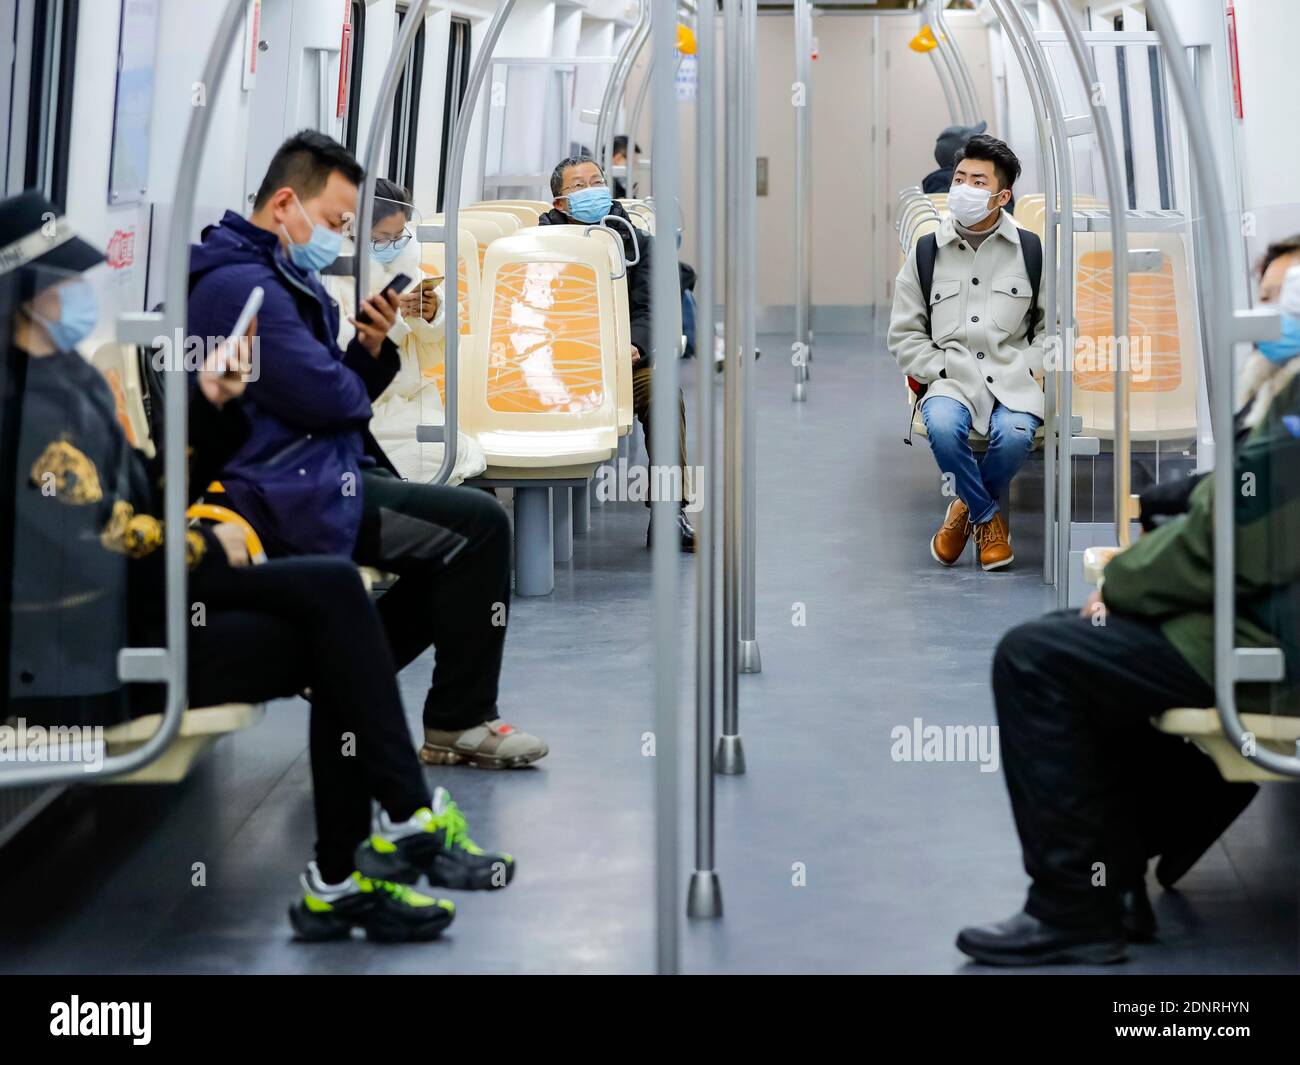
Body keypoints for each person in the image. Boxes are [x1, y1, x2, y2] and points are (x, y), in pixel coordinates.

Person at [1, 191, 515, 943]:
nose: (80, 297)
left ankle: (361, 862)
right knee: (336, 617)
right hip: (86, 656)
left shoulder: (70, 383)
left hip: (142, 602)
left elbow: (149, 488)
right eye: (63, 285)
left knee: (336, 608)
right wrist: (209, 548)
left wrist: (210, 406)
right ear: (27, 300)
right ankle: (379, 843)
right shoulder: (23, 412)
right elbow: (103, 539)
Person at [187, 130, 548, 769]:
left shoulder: (269, 276)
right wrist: (357, 367)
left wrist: (370, 349)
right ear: (283, 205)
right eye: (333, 221)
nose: (338, 237)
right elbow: (337, 400)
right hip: (284, 491)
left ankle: (346, 672)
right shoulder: (248, 291)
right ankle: (454, 718)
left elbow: (333, 388)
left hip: (313, 471)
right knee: (480, 528)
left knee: (459, 541)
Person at [956, 359, 1299, 965]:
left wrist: (1121, 584)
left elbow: (1231, 538)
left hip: (1274, 641)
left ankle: (1073, 908)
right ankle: (1113, 879)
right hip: (1266, 615)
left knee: (1036, 659)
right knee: (1084, 647)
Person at [889, 134, 1045, 571]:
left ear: (1002, 195)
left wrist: (1030, 366)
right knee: (940, 426)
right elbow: (904, 334)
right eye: (960, 178)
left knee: (1016, 437)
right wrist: (939, 368)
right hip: (950, 379)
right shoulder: (926, 252)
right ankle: (988, 519)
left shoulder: (1030, 249)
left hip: (1011, 376)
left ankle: (962, 512)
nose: (963, 188)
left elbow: (1055, 329)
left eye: (978, 181)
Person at [541, 154, 695, 550]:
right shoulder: (538, 245)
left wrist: (635, 345)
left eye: (597, 181)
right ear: (559, 203)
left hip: (620, 364)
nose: (591, 190)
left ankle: (668, 512)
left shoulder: (635, 242)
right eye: (579, 186)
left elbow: (649, 306)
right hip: (556, 369)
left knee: (662, 389)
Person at [322, 178, 486, 483]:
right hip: (371, 410)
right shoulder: (331, 281)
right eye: (381, 239)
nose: (392, 248)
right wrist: (393, 318)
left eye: (399, 238)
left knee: (451, 448)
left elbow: (436, 352)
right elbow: (343, 351)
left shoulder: (409, 272)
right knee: (435, 457)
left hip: (411, 406)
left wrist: (430, 315)